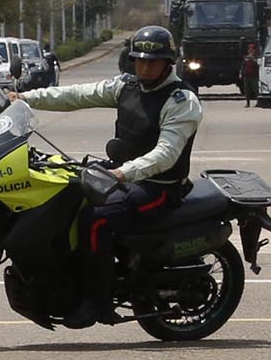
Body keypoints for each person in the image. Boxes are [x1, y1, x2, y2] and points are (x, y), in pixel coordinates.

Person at [15, 20, 209, 300]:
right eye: (140, 60)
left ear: (168, 63)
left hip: (158, 188)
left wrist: (122, 173)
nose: (145, 67)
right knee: (65, 195)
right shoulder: (127, 86)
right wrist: (24, 98)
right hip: (121, 176)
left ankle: (96, 299)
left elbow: (165, 154)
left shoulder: (181, 101)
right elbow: (77, 95)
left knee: (96, 220)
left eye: (153, 62)